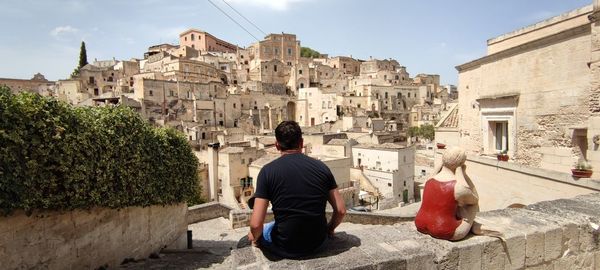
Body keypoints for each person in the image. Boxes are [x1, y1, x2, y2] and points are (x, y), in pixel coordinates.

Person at [247, 121, 346, 258]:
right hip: (318, 243)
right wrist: (329, 230)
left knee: (263, 230)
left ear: (277, 145)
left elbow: (256, 224)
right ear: (301, 143)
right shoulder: (322, 168)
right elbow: (341, 210)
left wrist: (255, 238)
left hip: (284, 246)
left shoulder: (267, 172)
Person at [414, 147, 478, 241]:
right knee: (473, 205)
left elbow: (434, 174)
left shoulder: (429, 180)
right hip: (446, 230)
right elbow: (475, 199)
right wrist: (463, 174)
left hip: (420, 223)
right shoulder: (459, 187)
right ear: (461, 164)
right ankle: (470, 223)